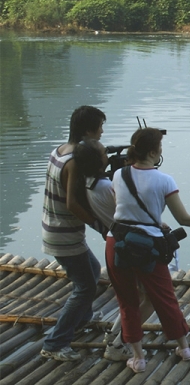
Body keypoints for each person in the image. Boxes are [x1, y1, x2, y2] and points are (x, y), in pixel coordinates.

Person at [106, 127, 190, 373]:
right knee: (165, 298)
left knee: (127, 302)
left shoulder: (119, 174)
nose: (161, 150)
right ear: (152, 151)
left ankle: (138, 359)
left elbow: (124, 208)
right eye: (160, 146)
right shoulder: (164, 180)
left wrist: (149, 219)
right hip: (149, 246)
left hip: (118, 242)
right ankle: (184, 348)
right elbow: (184, 218)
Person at [40, 106, 107, 362]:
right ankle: (55, 343)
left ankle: (82, 319)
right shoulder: (75, 162)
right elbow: (72, 203)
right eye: (100, 127)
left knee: (91, 270)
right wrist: (99, 225)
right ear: (89, 130)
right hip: (64, 235)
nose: (102, 132)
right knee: (85, 287)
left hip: (54, 228)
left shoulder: (59, 150)